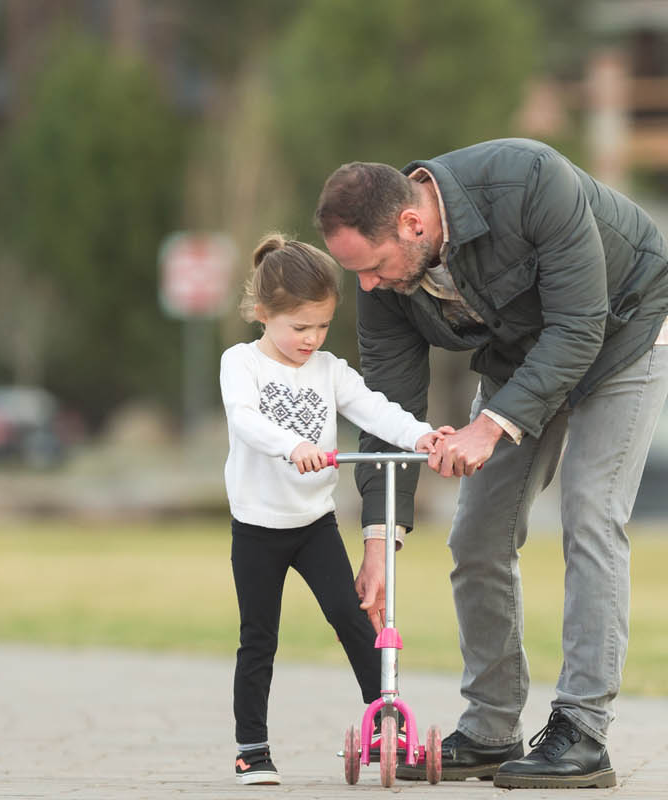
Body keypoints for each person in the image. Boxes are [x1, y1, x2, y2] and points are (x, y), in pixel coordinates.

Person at [315, 138, 668, 789]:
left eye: (372, 266)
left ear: (413, 223)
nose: (367, 285)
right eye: (357, 274)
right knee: (477, 534)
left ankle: (582, 732)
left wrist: (489, 426)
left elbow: (579, 326)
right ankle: (491, 730)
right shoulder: (384, 279)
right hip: (523, 360)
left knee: (591, 512)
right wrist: (380, 538)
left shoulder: (527, 178)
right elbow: (387, 409)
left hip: (626, 329)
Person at [219, 234, 452, 785]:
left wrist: (420, 436)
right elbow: (245, 419)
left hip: (313, 524)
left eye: (321, 326)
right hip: (258, 527)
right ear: (262, 313)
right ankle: (252, 747)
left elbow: (376, 410)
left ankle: (387, 723)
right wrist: (292, 445)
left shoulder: (329, 370)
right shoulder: (241, 363)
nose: (311, 339)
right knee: (260, 636)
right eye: (299, 327)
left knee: (354, 617)